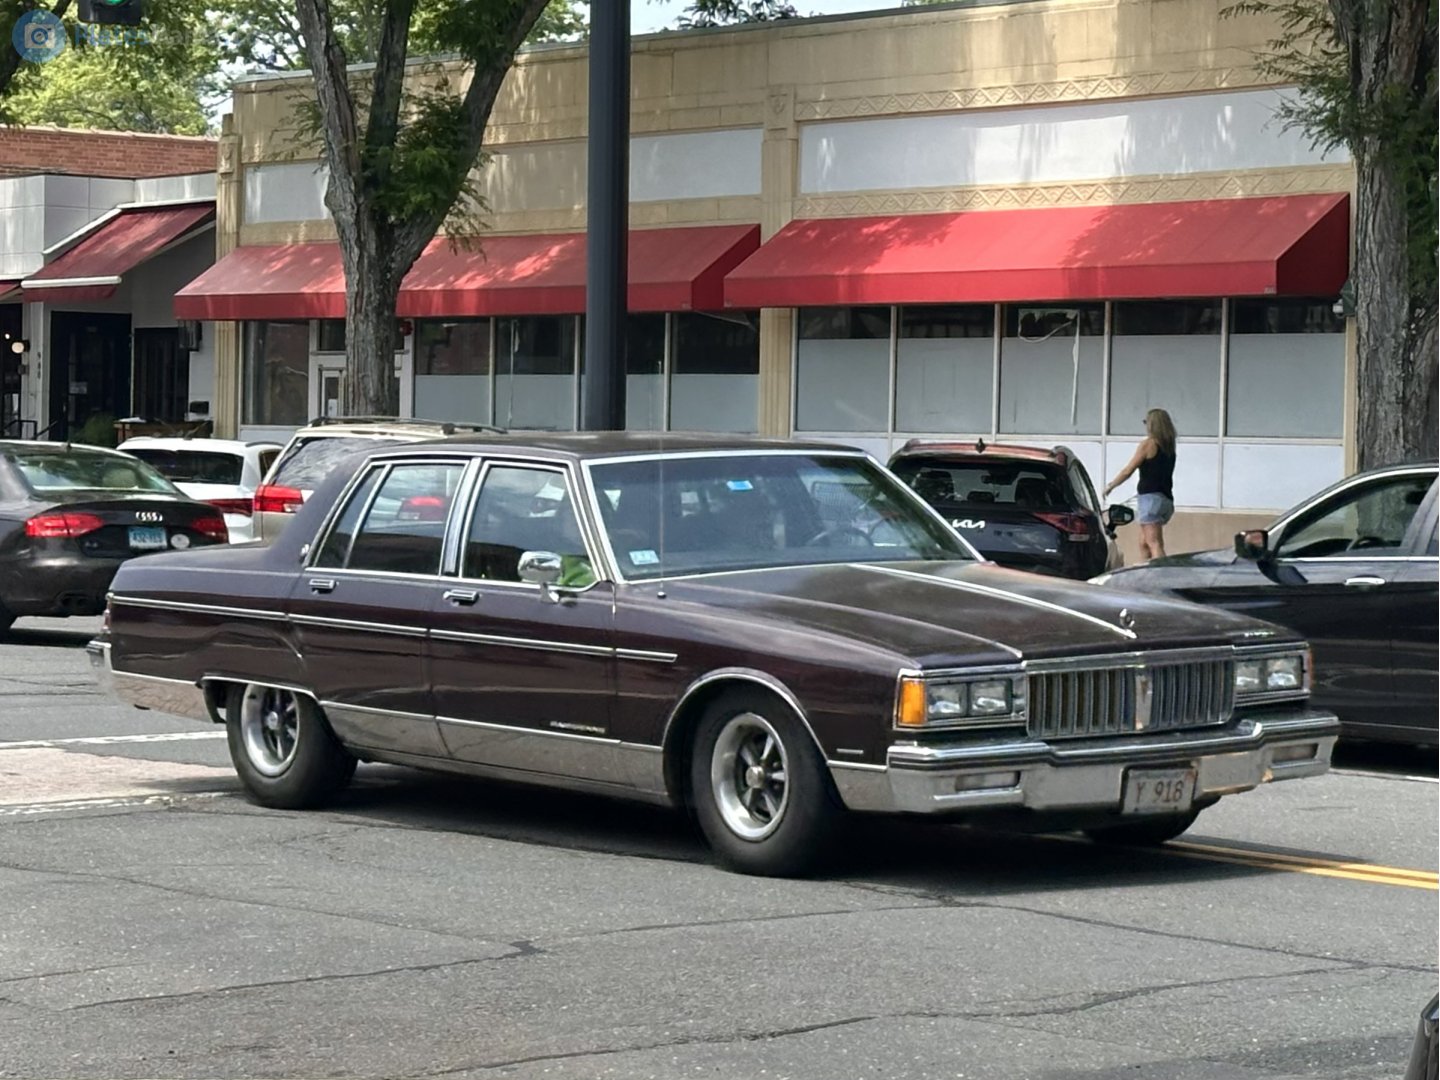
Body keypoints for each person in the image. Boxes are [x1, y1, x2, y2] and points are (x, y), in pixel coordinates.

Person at [1104, 407, 1176, 561]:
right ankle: (1145, 570)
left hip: (1150, 499)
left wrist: (1111, 486)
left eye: (1146, 422)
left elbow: (1128, 470)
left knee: (1154, 544)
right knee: (1143, 543)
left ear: (1152, 425)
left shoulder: (1148, 444)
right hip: (1166, 500)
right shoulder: (1169, 446)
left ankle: (1159, 575)